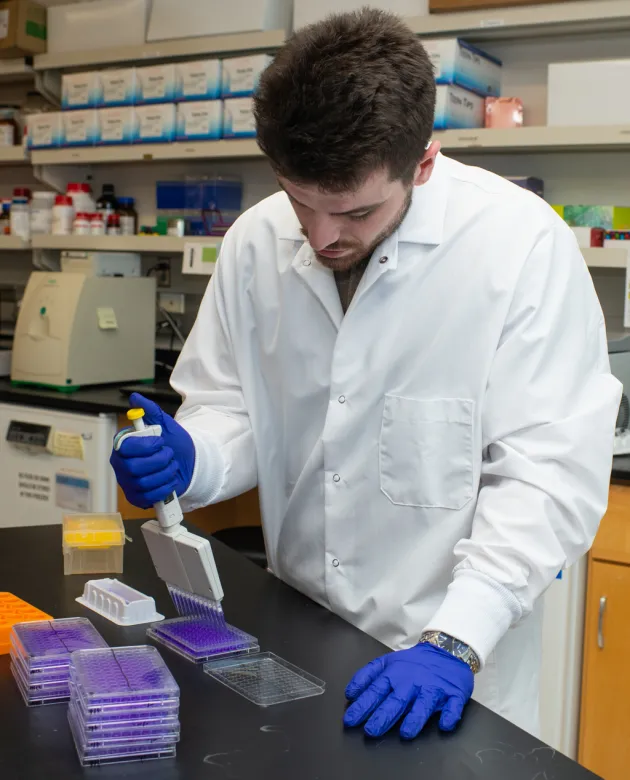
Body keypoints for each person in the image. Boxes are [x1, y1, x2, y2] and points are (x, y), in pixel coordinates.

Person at [111, 9, 621, 740]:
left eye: (352, 211)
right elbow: (237, 405)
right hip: (294, 642)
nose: (320, 237)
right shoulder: (257, 240)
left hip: (454, 665)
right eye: (299, 200)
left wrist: (456, 639)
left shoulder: (519, 247)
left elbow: (546, 478)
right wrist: (197, 457)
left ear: (422, 162)